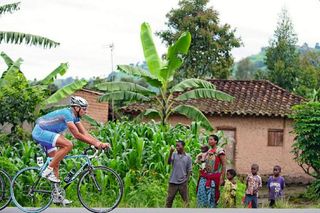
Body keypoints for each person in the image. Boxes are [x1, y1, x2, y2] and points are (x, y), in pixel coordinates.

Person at [32, 96, 110, 205]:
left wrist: (99, 143)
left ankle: (57, 196)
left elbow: (85, 134)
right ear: (76, 108)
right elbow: (77, 135)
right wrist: (96, 143)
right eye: (84, 109)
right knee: (68, 144)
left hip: (47, 134)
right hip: (40, 132)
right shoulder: (67, 114)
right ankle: (47, 171)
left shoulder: (75, 118)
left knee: (56, 162)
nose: (86, 111)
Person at [196, 134, 226, 208]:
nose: (209, 141)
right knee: (201, 193)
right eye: (208, 139)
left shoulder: (220, 151)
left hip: (214, 176)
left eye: (211, 139)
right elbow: (203, 162)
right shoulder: (208, 151)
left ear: (216, 141)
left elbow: (224, 165)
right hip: (206, 176)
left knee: (213, 196)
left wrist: (222, 178)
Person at [165, 140, 192, 208]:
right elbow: (168, 162)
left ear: (183, 146)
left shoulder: (188, 157)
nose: (176, 147)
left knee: (186, 201)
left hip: (183, 182)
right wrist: (170, 152)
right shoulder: (174, 154)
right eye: (176, 146)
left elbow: (189, 170)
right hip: (173, 181)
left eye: (178, 146)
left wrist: (186, 180)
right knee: (169, 200)